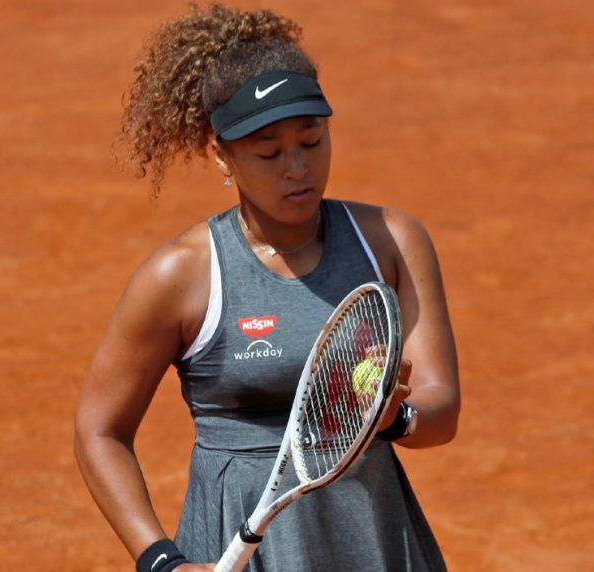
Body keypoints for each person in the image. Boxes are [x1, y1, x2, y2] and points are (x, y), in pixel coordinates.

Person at [73, 4, 460, 571]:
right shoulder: (181, 276)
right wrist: (161, 562)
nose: (297, 168)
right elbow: (99, 430)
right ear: (221, 156)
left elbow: (441, 406)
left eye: (312, 140)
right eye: (269, 152)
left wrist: (396, 419)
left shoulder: (391, 242)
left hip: (370, 536)